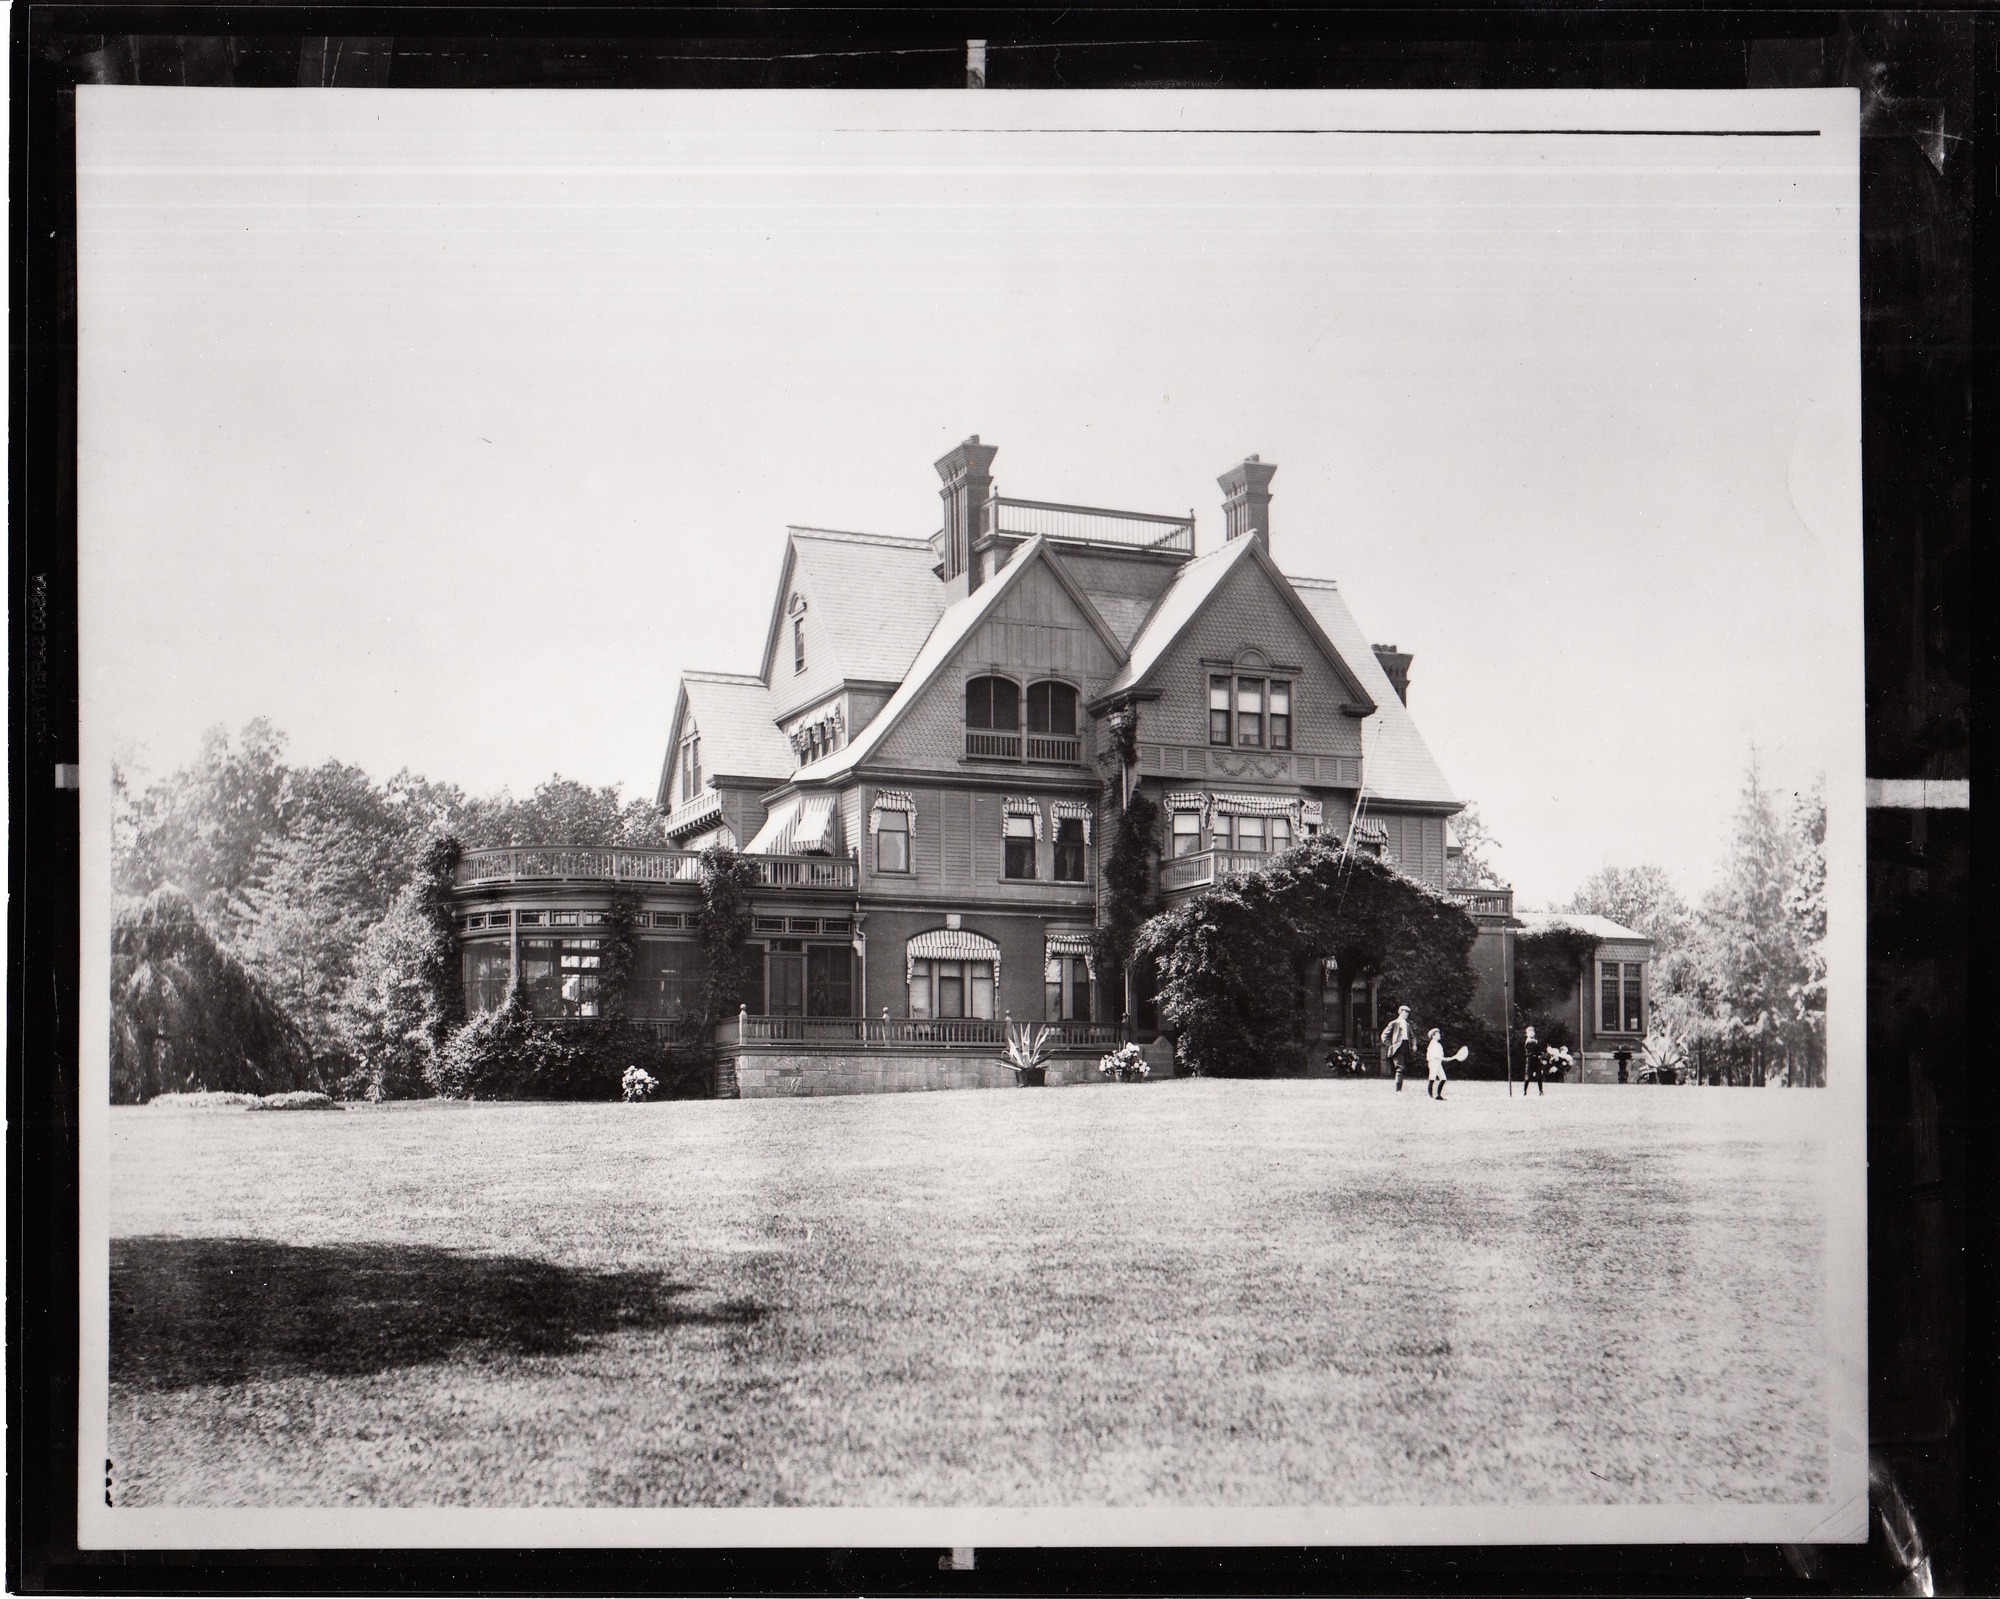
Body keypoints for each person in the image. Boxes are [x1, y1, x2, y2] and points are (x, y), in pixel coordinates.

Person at [1425, 1028, 1470, 1099]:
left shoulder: (1438, 1044)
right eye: (1438, 1034)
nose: (1439, 1035)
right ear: (1433, 1036)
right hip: (1433, 1062)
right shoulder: (1433, 1044)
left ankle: (1438, 1096)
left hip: (1438, 1063)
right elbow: (1436, 1056)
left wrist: (1447, 1058)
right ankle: (1430, 1096)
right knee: (1432, 1078)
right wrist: (1446, 1059)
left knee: (1443, 1078)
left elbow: (1440, 1056)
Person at [1380, 1005, 1415, 1091]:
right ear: (1400, 1012)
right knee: (1400, 1068)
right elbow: (1384, 1035)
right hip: (1397, 1047)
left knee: (1403, 1068)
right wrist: (1391, 1045)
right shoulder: (1394, 1023)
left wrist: (1414, 1045)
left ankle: (1399, 1088)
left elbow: (1413, 1036)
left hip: (1406, 1046)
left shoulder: (1407, 1025)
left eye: (1407, 1012)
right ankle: (1398, 1090)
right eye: (1405, 1012)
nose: (1406, 1014)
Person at [1522, 1025, 1546, 1097]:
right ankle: (1525, 1091)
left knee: (1539, 1075)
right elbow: (1536, 1049)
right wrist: (1543, 1052)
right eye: (1529, 1031)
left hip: (1536, 1059)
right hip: (1530, 1059)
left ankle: (1540, 1091)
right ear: (1527, 1033)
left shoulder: (1535, 1041)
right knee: (1528, 1075)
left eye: (1533, 1031)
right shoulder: (1529, 1041)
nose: (1531, 1033)